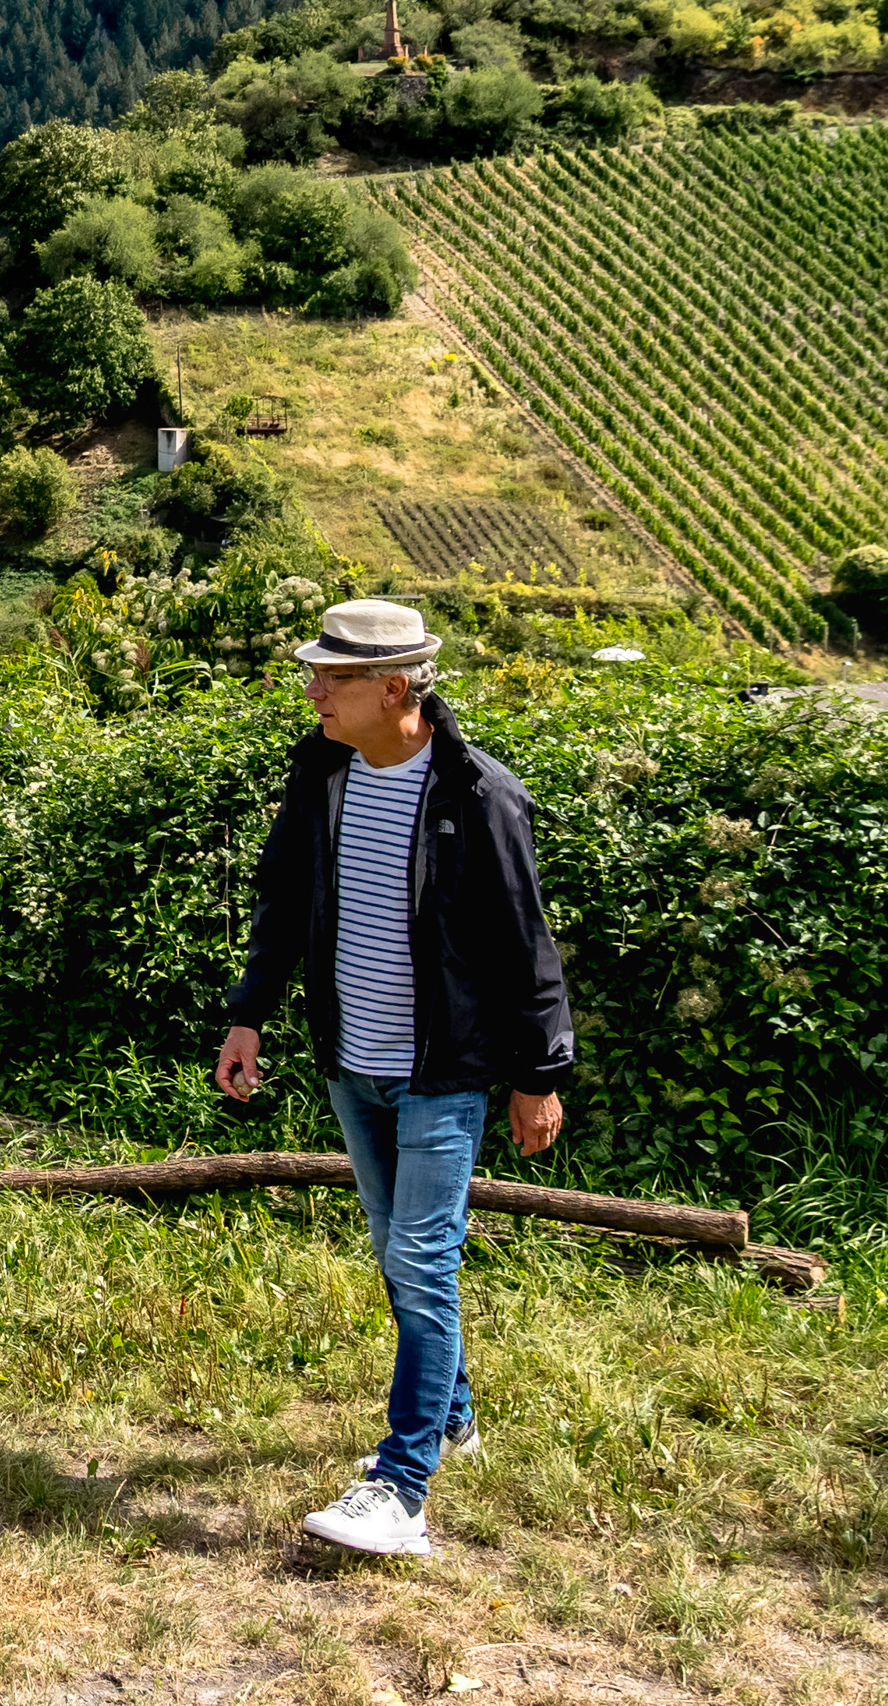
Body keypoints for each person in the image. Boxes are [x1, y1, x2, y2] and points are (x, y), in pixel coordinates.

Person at [212, 597, 574, 1561]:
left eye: (331, 676)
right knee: (398, 1253)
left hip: (443, 1073)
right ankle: (453, 1415)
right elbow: (284, 900)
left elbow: (523, 943)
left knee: (420, 1264)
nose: (313, 689)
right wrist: (249, 1013)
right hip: (352, 1063)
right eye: (314, 673)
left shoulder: (477, 795)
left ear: (395, 688)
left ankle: (403, 1489)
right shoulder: (322, 769)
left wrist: (538, 1074)